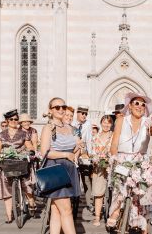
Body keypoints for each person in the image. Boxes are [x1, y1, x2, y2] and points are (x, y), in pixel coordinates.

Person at [107, 92, 152, 233]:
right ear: (130, 105)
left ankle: (140, 222)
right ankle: (116, 212)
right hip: (122, 159)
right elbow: (114, 143)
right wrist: (114, 159)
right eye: (136, 103)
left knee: (140, 195)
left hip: (140, 161)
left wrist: (151, 127)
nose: (139, 106)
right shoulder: (122, 120)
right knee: (120, 191)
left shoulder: (147, 121)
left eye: (142, 104)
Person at [40, 98, 82, 234]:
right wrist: (65, 154)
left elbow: (74, 151)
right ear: (50, 110)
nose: (61, 109)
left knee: (57, 210)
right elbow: (45, 152)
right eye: (57, 107)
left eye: (63, 106)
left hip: (69, 168)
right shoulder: (48, 128)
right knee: (67, 210)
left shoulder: (70, 128)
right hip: (55, 170)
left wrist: (78, 147)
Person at [0, 109, 36, 223]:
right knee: (6, 188)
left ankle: (31, 202)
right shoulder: (1, 135)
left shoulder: (24, 133)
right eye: (11, 119)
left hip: (21, 162)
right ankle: (9, 215)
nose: (13, 121)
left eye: (16, 119)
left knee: (26, 185)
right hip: (7, 163)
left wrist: (31, 151)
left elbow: (29, 146)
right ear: (7, 121)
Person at [91, 115, 113, 226]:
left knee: (113, 193)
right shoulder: (95, 137)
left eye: (108, 122)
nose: (106, 124)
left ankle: (112, 216)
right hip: (99, 168)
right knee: (99, 193)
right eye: (104, 122)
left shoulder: (114, 136)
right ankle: (97, 217)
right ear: (101, 123)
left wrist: (109, 159)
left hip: (111, 167)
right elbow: (92, 152)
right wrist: (95, 159)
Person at [73, 105, 94, 212]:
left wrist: (90, 155)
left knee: (86, 179)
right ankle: (73, 200)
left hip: (84, 153)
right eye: (82, 113)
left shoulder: (88, 124)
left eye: (86, 114)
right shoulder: (72, 123)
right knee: (73, 179)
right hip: (73, 152)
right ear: (77, 113)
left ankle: (89, 203)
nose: (84, 116)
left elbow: (89, 140)